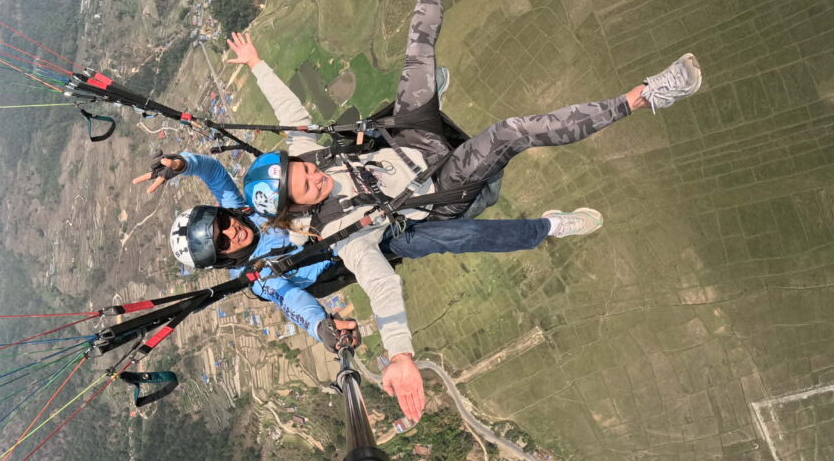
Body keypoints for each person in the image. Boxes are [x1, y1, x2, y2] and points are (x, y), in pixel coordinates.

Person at [231, 0, 703, 422]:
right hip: (439, 187)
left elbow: (290, 115)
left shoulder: (308, 155)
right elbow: (381, 287)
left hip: (411, 137)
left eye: (302, 171)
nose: (314, 179)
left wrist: (258, 64)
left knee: (417, 55)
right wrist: (401, 356)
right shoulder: (341, 235)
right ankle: (645, 98)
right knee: (509, 132)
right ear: (295, 210)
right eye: (305, 189)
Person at [135, 150, 602, 355]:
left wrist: (181, 164)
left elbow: (214, 170)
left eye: (220, 222)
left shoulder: (246, 210)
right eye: (221, 242)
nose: (230, 231)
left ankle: (417, 116)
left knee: (351, 141)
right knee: (451, 236)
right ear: (221, 259)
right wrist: (324, 330)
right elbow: (297, 307)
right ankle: (546, 228)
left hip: (341, 207)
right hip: (364, 245)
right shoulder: (266, 276)